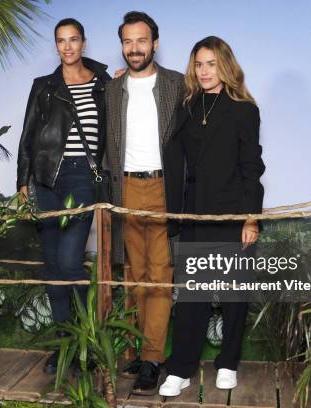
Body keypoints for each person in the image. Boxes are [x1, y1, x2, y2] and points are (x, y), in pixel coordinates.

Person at [158, 36, 265, 396]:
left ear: (226, 66)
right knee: (192, 296)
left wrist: (251, 218)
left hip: (233, 213)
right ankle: (182, 367)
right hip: (195, 212)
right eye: (199, 64)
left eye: (211, 64)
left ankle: (228, 361)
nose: (204, 71)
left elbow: (252, 167)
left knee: (234, 295)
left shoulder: (244, 109)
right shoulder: (188, 105)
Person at [16, 18, 112, 374]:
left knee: (71, 263)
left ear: (83, 43)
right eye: (61, 41)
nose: (67, 47)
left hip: (81, 177)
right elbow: (28, 136)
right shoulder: (43, 86)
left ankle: (87, 340)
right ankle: (63, 346)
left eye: (73, 40)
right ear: (56, 46)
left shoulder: (103, 84)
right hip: (45, 179)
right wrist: (23, 180)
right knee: (54, 266)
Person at [104, 11, 184, 395]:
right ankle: (136, 349)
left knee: (160, 276)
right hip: (125, 192)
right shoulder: (111, 89)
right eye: (127, 42)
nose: (134, 49)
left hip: (163, 190)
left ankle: (153, 358)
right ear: (122, 46)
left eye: (141, 41)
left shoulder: (178, 84)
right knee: (133, 275)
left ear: (155, 42)